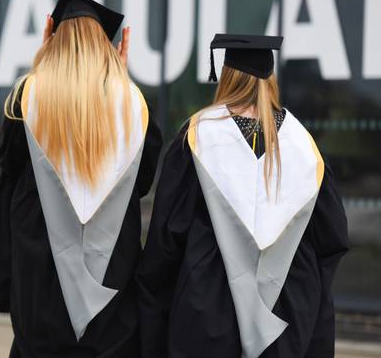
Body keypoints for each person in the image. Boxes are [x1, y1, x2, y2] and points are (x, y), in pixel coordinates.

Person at [137, 34, 349, 358]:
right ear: (270, 79)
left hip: (206, 318)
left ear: (226, 77)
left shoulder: (197, 137)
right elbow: (330, 243)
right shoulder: (304, 148)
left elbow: (165, 248)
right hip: (286, 324)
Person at [0, 0, 163, 358]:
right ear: (106, 46)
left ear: (52, 38)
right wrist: (120, 82)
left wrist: (39, 66)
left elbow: (8, 165)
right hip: (110, 281)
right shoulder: (131, 104)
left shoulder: (26, 97)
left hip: (39, 278)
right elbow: (142, 183)